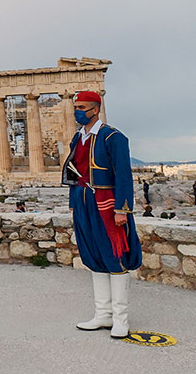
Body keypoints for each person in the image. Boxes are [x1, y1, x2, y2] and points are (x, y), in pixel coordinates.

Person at [62, 92, 141, 339]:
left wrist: (122, 209)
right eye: (76, 107)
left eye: (82, 107)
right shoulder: (78, 137)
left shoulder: (113, 137)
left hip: (106, 203)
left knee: (114, 257)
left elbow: (124, 175)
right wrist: (73, 203)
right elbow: (75, 173)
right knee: (94, 257)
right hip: (83, 201)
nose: (77, 111)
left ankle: (120, 320)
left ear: (95, 109)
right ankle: (103, 315)